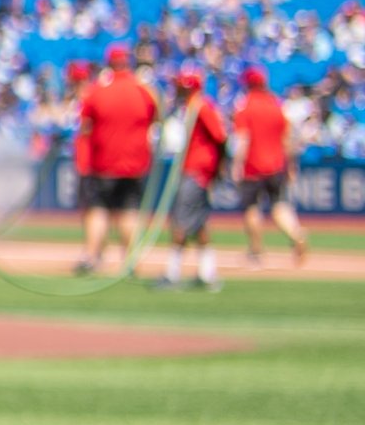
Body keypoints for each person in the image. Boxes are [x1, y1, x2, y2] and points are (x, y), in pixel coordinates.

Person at [72, 43, 157, 276]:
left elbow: (84, 126)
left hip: (104, 163)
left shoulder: (97, 90)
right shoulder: (143, 90)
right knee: (129, 211)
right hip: (135, 163)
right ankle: (132, 261)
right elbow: (155, 119)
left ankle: (91, 257)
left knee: (98, 209)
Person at [155, 63, 231, 292]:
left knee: (180, 220)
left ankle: (173, 273)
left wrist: (217, 169)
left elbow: (220, 137)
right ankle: (207, 274)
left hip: (196, 172)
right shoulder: (189, 108)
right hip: (196, 171)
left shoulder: (201, 107)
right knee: (199, 223)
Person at [234, 62, 307, 269]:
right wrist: (291, 165)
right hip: (276, 165)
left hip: (253, 166)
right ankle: (297, 234)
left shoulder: (245, 106)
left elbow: (243, 139)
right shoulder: (276, 105)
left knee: (251, 207)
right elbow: (287, 139)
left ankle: (256, 251)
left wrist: (237, 165)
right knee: (279, 205)